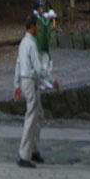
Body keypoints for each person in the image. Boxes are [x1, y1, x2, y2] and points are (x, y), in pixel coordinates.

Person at [13, 12, 58, 167]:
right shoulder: (31, 44)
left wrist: (16, 85)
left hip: (26, 80)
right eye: (37, 25)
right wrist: (52, 80)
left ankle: (33, 149)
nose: (38, 28)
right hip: (31, 80)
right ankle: (23, 154)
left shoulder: (23, 43)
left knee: (38, 114)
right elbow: (38, 68)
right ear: (32, 27)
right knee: (31, 117)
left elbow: (18, 64)